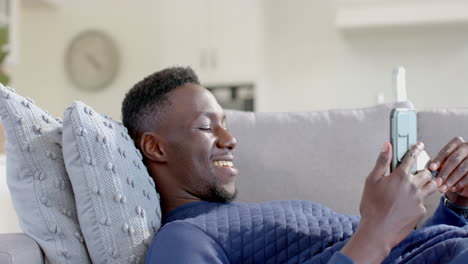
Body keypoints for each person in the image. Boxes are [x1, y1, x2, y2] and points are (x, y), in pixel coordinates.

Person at [121, 67, 468, 263]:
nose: (230, 139)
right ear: (155, 147)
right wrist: (376, 230)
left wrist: (454, 205)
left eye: (225, 123)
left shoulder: (233, 221)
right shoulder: (181, 238)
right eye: (207, 126)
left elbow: (409, 252)